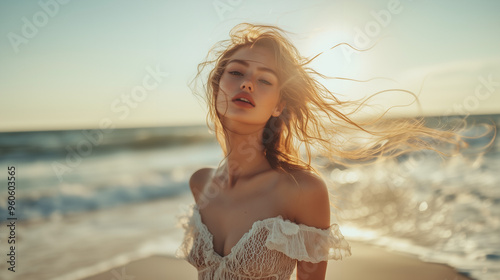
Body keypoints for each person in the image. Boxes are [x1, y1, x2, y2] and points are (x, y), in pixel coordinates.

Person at [176, 23, 466, 280]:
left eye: (265, 80)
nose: (247, 82)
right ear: (217, 89)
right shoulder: (201, 184)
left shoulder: (302, 190)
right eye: (236, 72)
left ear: (279, 106)